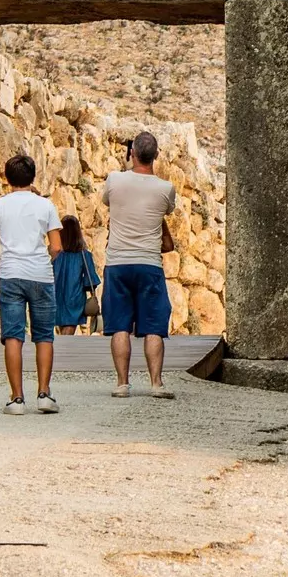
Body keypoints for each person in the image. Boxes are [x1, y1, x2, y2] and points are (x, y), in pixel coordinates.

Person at [0, 154, 62, 414]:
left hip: (11, 274)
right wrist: (45, 259)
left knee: (13, 336)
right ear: (33, 176)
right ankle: (44, 394)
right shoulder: (46, 206)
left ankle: (16, 399)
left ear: (7, 177)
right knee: (44, 336)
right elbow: (57, 246)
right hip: (40, 275)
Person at [102, 130, 177, 399]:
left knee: (120, 325)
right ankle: (156, 384)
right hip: (149, 263)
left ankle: (122, 383)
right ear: (156, 156)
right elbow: (164, 215)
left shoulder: (114, 180)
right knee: (154, 325)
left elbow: (109, 202)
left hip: (118, 262)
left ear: (131, 153)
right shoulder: (166, 188)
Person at [52, 214, 99, 337]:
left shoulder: (54, 254)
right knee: (69, 327)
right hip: (75, 295)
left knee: (61, 326)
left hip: (55, 294)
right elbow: (91, 280)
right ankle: (64, 352)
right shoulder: (84, 255)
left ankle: (60, 351)